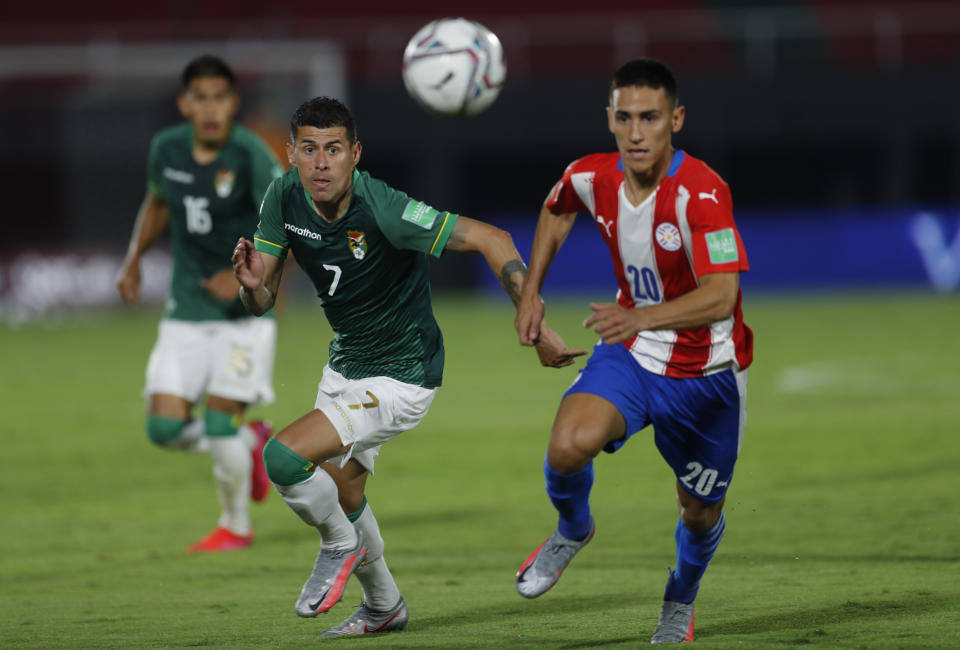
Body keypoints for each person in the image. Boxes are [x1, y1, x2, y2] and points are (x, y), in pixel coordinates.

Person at [231, 96, 584, 637]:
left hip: (402, 375)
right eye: (309, 150)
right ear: (291, 153)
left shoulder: (385, 209)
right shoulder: (283, 196)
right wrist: (252, 287)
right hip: (346, 365)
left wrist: (532, 320)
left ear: (355, 155)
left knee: (281, 458)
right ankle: (384, 606)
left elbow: (494, 239)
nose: (321, 163)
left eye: (333, 150)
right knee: (345, 493)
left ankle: (337, 548)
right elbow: (261, 300)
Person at [513, 58, 753, 644]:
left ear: (676, 119)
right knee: (568, 447)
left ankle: (680, 599)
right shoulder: (592, 177)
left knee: (698, 514)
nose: (637, 131)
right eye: (625, 118)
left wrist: (639, 315)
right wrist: (531, 294)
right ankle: (574, 528)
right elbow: (556, 208)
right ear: (611, 121)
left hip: (709, 375)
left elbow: (723, 296)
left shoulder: (704, 193)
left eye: (650, 117)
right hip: (634, 353)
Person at [116, 55, 284, 553]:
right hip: (185, 310)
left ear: (233, 103)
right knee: (164, 427)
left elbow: (285, 224)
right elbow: (159, 202)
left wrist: (249, 277)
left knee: (216, 422)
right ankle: (252, 442)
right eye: (200, 98)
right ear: (184, 103)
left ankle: (235, 527)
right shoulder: (166, 149)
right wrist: (133, 260)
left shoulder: (251, 155)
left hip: (242, 318)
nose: (210, 108)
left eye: (220, 98)